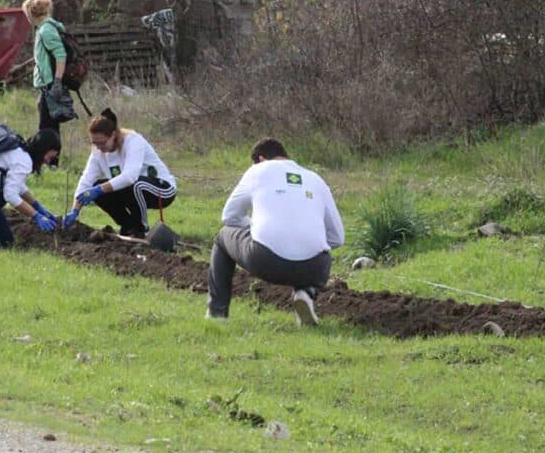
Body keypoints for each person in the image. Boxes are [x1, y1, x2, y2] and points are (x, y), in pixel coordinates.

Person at [208, 137, 344, 326]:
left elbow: (230, 216)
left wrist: (254, 226)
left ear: (261, 159)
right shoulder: (316, 179)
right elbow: (337, 237)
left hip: (266, 261)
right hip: (315, 269)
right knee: (315, 249)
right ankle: (305, 293)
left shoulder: (257, 170)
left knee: (222, 236)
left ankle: (217, 313)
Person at [63, 108, 176, 238]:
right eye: (94, 143)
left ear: (113, 135)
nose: (98, 147)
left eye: (102, 142)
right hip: (130, 191)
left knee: (133, 185)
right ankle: (128, 226)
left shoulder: (134, 142)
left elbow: (130, 176)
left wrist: (98, 189)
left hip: (162, 189)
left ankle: (141, 230)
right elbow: (86, 180)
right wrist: (75, 210)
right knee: (97, 186)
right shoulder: (98, 151)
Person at [23, 0, 74, 140]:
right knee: (50, 126)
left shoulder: (46, 30)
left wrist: (57, 82)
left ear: (31, 13)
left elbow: (60, 55)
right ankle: (50, 160)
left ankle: (49, 161)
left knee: (47, 128)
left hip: (51, 84)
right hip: (47, 83)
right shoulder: (45, 28)